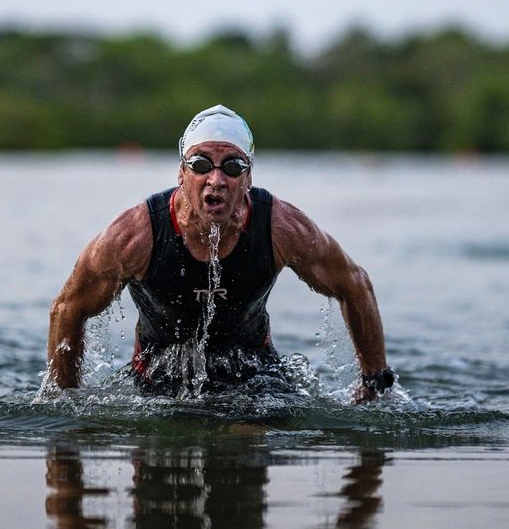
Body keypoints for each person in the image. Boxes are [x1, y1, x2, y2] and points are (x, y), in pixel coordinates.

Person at [46, 105, 394, 401]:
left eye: (232, 166)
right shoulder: (135, 236)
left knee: (246, 434)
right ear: (182, 173)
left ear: (248, 177)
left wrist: (373, 383)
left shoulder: (281, 229)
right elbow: (67, 309)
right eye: (200, 165)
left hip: (256, 377)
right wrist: (67, 405)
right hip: (156, 380)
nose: (216, 179)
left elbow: (355, 284)